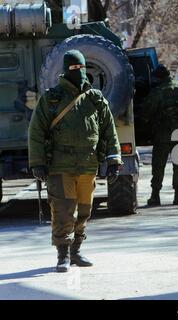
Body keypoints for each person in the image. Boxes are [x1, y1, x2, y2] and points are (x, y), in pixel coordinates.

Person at [28, 50, 122, 272]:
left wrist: (114, 158)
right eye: (73, 69)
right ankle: (63, 254)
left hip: (88, 164)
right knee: (63, 209)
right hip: (60, 165)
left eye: (81, 68)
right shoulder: (52, 98)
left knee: (84, 209)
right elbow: (36, 132)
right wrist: (37, 162)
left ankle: (76, 250)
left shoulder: (95, 98)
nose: (78, 72)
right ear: (65, 70)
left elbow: (109, 130)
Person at [142, 64, 178, 206]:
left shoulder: (157, 91)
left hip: (162, 135)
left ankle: (155, 196)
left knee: (158, 165)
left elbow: (146, 111)